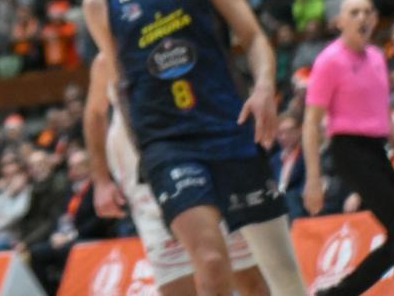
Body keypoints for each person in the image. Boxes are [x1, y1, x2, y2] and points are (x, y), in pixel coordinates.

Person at [82, 0, 306, 296]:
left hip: (230, 129)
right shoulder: (99, 2)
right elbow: (119, 85)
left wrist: (263, 87)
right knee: (211, 260)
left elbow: (253, 37)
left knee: (280, 276)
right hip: (168, 145)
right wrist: (111, 171)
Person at [84, 55, 268, 296]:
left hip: (207, 166)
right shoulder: (108, 58)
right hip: (148, 187)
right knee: (178, 287)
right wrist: (101, 180)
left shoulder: (184, 40)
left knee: (248, 279)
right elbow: (95, 113)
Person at [300, 0, 394, 296]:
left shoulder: (378, 57)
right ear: (339, 22)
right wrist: (313, 179)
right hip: (348, 151)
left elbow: (386, 116)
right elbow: (311, 123)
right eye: (354, 12)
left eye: (368, 11)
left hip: (376, 150)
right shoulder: (329, 61)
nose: (362, 17)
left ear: (375, 19)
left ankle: (337, 295)